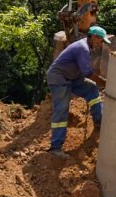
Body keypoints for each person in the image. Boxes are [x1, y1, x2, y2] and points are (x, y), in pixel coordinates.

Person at [46, 25, 111, 158]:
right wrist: (107, 83)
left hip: (72, 77)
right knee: (62, 109)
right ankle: (55, 147)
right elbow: (88, 73)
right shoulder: (82, 48)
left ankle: (100, 122)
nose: (101, 44)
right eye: (100, 40)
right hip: (59, 78)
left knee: (92, 88)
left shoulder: (87, 48)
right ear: (93, 37)